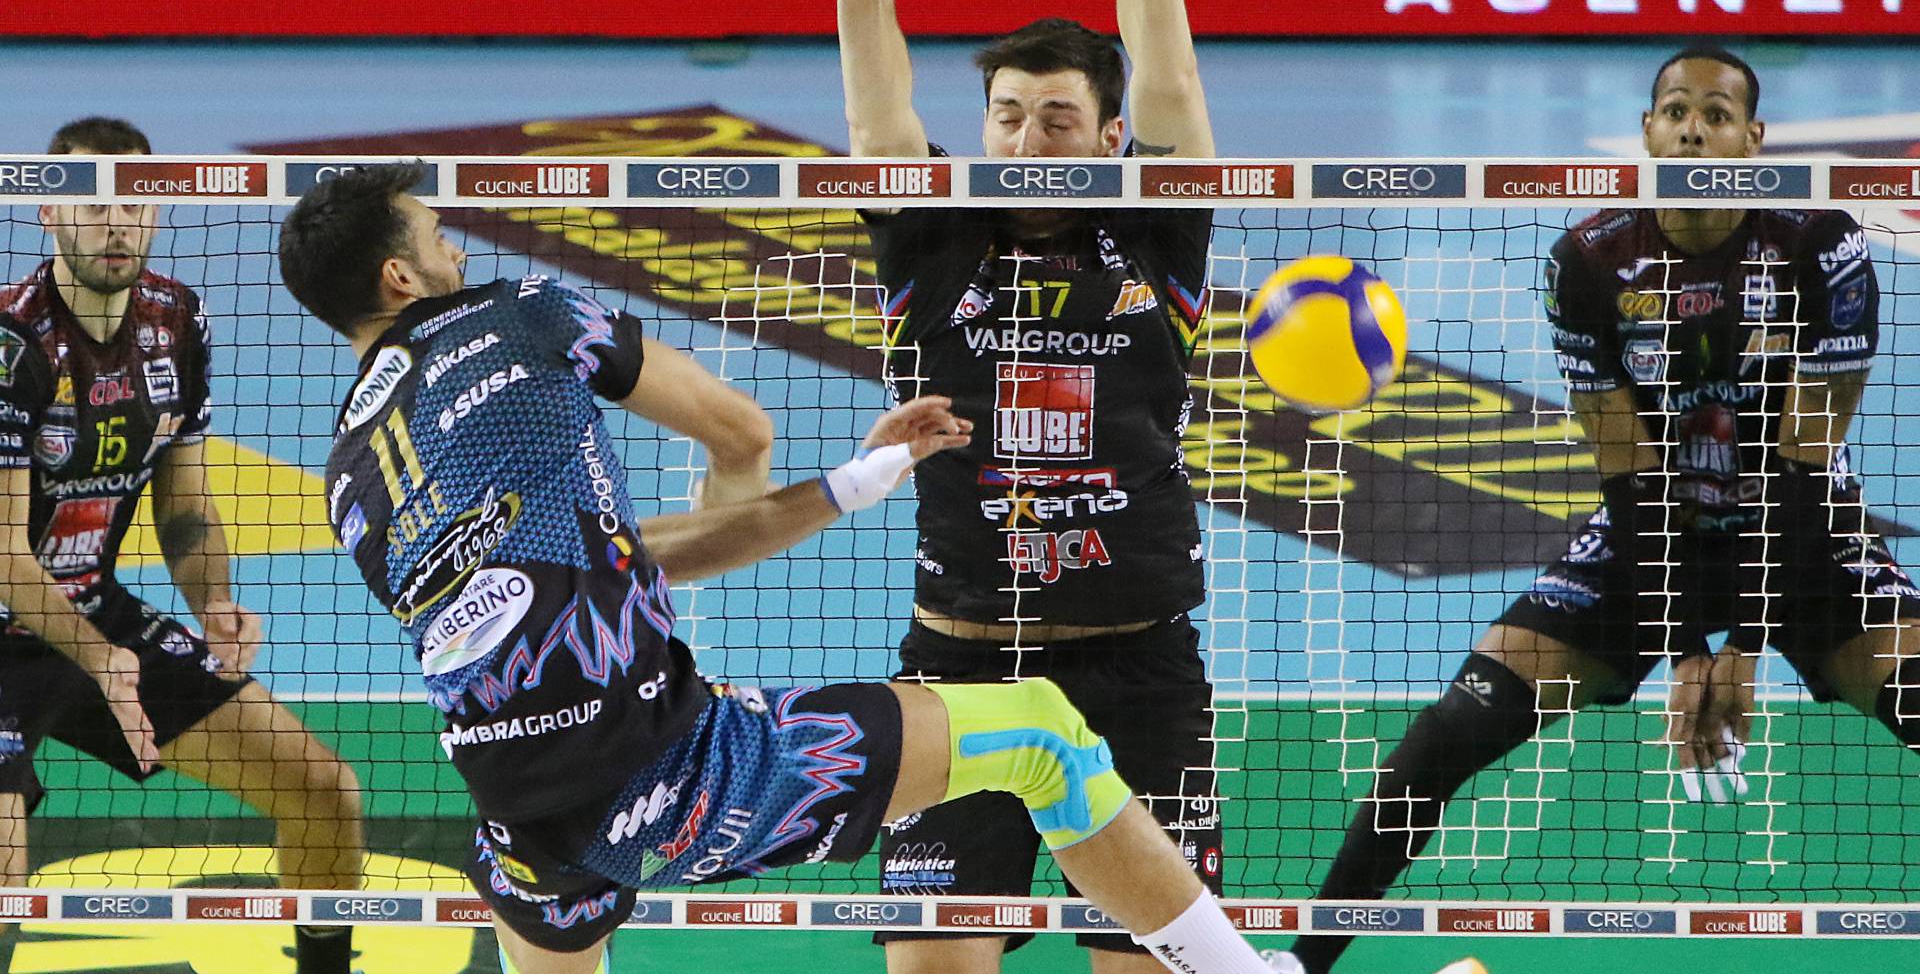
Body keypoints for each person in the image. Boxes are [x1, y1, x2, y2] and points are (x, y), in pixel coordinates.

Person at [275, 163, 1278, 974]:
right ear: (400, 276)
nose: (455, 245)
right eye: (435, 234)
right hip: (672, 766)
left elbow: (606, 566)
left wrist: (848, 484)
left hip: (522, 823)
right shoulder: (521, 312)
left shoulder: (350, 480)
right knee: (1046, 735)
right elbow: (741, 429)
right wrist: (747, 480)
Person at [1278, 46, 1920, 974]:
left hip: (1801, 534)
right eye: (1675, 110)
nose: (1693, 128)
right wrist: (1687, 647)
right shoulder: (1591, 258)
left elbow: (1807, 468)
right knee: (1447, 736)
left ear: (1754, 139)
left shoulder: (1821, 245)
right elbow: (1627, 474)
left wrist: (1743, 645)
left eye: (1717, 114)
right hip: (1649, 534)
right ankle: (1299, 965)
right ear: (1648, 130)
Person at [795, 0, 1223, 974]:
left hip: (1138, 661)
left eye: (1058, 118)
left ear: (1110, 135)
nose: (1028, 140)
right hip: (965, 658)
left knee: (1148, 962)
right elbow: (879, 124)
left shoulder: (1157, 229)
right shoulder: (936, 237)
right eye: (1008, 116)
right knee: (932, 963)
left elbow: (1174, 79)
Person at [0, 118, 364, 974]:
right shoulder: (11, 343)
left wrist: (214, 602)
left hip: (92, 612)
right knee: (4, 883)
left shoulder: (176, 319)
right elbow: (6, 556)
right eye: (92, 203)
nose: (116, 222)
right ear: (47, 214)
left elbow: (187, 507)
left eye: (133, 201)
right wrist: (103, 661)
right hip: (14, 628)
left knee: (323, 791)